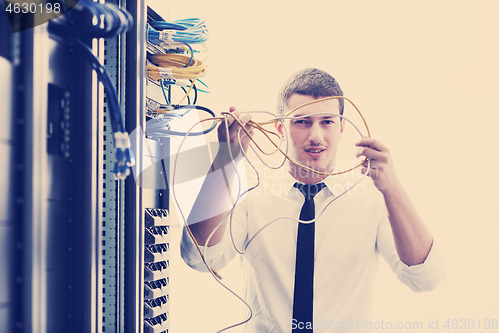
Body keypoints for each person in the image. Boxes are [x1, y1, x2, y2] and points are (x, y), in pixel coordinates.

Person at [180, 68, 444, 332]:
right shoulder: (252, 199)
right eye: (303, 121)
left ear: (341, 127)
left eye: (327, 121)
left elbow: (425, 279)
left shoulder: (372, 202)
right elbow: (199, 258)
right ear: (279, 128)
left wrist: (392, 188)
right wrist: (225, 159)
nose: (316, 136)